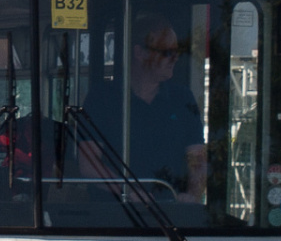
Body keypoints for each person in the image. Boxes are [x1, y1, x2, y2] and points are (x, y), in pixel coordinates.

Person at [81, 13, 207, 201]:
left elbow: (197, 158)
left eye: (177, 51)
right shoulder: (101, 99)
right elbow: (89, 165)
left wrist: (191, 195)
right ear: (140, 53)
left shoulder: (183, 99)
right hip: (111, 215)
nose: (175, 58)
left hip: (169, 215)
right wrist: (128, 191)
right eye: (166, 52)